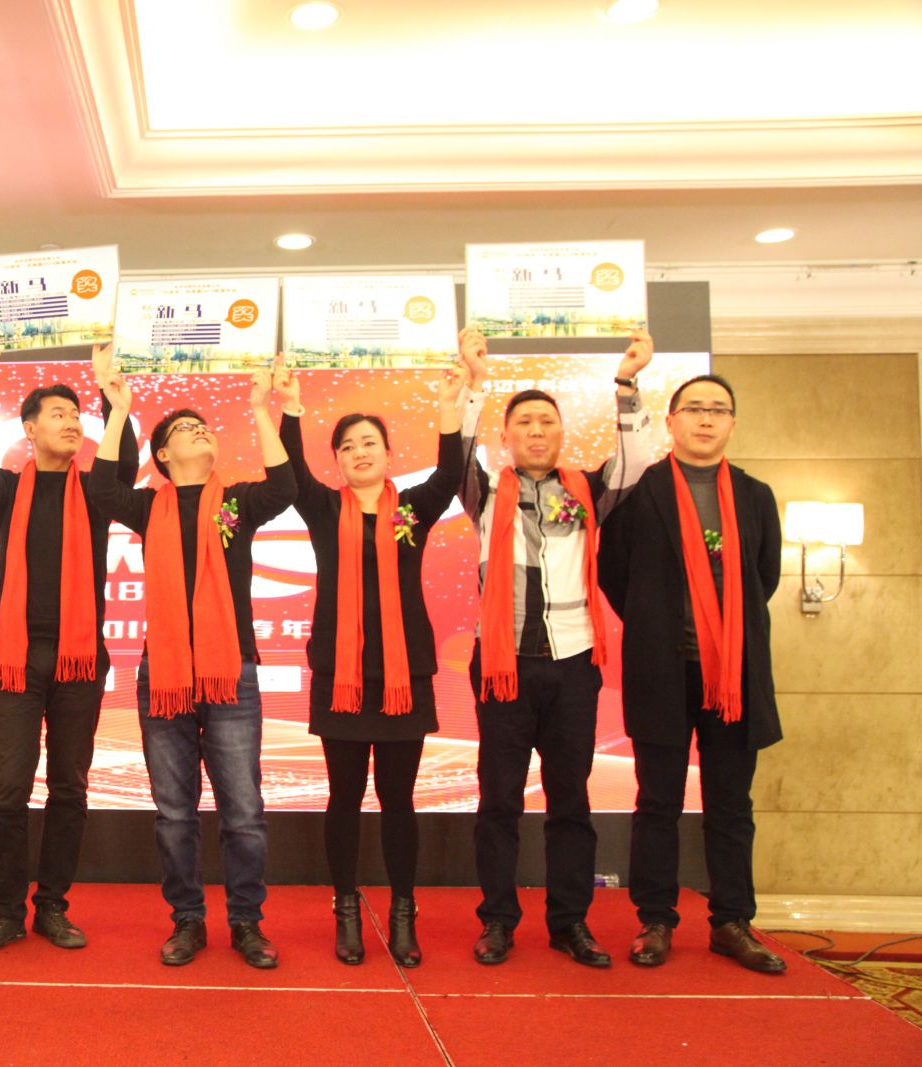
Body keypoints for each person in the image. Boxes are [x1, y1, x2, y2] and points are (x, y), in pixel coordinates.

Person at [90, 359, 297, 969]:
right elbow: (100, 489)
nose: (200, 430)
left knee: (244, 813)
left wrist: (260, 408)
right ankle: (187, 920)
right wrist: (118, 410)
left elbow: (284, 487)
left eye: (204, 426)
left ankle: (246, 922)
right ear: (162, 455)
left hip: (232, 673)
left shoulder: (236, 503)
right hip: (164, 677)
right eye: (185, 428)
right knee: (174, 814)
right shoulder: (147, 506)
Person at [459, 326, 656, 968]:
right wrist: (475, 383)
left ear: (562, 432)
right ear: (506, 436)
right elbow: (455, 452)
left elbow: (634, 461)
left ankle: (570, 923)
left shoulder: (586, 490)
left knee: (570, 800)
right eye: (524, 422)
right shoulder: (486, 491)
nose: (537, 430)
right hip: (503, 667)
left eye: (547, 421)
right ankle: (497, 922)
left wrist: (626, 383)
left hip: (573, 666)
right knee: (499, 801)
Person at [274, 359, 470, 966]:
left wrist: (449, 409)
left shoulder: (411, 509)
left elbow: (451, 473)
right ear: (337, 460)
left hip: (403, 677)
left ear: (388, 454)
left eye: (369, 443)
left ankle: (404, 912)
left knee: (398, 799)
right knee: (344, 798)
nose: (359, 453)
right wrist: (290, 408)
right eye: (348, 446)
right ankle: (347, 910)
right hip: (342, 679)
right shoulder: (322, 508)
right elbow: (291, 470)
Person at [598, 374, 787, 974]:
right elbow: (614, 573)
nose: (706, 419)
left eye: (719, 410)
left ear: (732, 423)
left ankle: (732, 921)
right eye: (695, 409)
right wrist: (657, 624)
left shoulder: (756, 496)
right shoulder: (640, 492)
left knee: (731, 803)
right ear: (672, 420)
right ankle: (655, 920)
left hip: (733, 674)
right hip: (663, 670)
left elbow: (764, 577)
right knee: (657, 801)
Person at [0, 341, 139, 955]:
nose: (70, 421)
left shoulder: (97, 491)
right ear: (30, 430)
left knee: (70, 786)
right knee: (7, 786)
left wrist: (114, 401)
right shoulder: (8, 491)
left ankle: (53, 907)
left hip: (79, 661)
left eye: (76, 414)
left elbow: (125, 463)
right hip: (17, 660)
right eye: (57, 413)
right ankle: (5, 912)